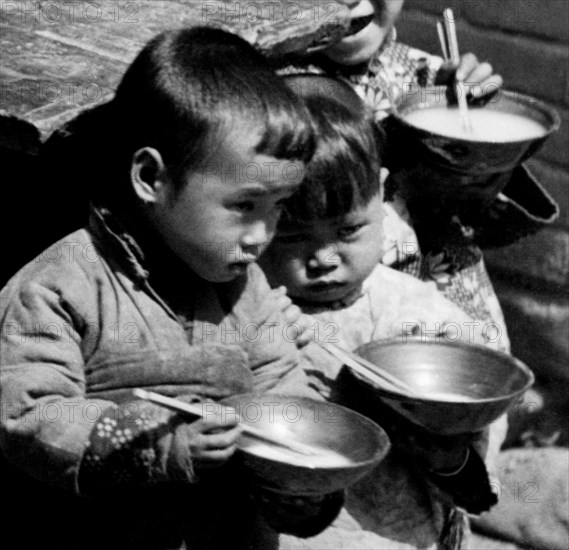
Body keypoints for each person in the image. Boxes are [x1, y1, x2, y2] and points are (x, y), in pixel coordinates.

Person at [0, 27, 344, 550]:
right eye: (245, 206)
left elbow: (282, 388)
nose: (262, 238)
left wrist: (299, 479)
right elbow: (30, 416)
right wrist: (154, 440)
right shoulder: (60, 287)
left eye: (278, 208)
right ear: (150, 177)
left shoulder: (244, 287)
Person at [259, 74, 505, 550]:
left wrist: (446, 453)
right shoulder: (244, 309)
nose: (324, 258)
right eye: (292, 237)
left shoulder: (420, 315)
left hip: (403, 533)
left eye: (348, 230)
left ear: (381, 191)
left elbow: (474, 476)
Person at [276, 0, 558, 353]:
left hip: (441, 288)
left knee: (467, 387)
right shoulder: (256, 86)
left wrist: (474, 140)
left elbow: (479, 218)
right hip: (313, 310)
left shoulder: (430, 79)